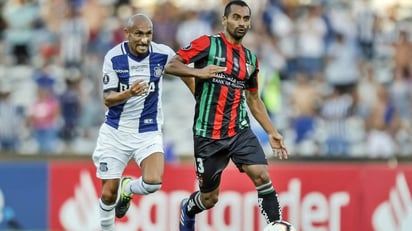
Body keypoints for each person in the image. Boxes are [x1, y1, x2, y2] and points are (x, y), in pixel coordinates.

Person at [164, 1, 289, 230]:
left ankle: (275, 224)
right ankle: (188, 208)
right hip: (208, 134)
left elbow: (253, 99)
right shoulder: (207, 44)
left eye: (245, 19)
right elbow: (171, 65)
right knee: (209, 199)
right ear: (225, 20)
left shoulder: (250, 59)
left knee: (261, 174)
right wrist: (198, 72)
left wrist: (272, 131)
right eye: (236, 17)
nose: (241, 23)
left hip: (239, 129)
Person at [92, 13, 181, 231]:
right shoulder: (114, 58)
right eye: (138, 34)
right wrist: (129, 93)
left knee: (153, 183)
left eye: (148, 33)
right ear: (127, 34)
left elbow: (182, 69)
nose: (144, 39)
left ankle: (128, 188)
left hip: (148, 130)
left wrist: (199, 79)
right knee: (107, 193)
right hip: (116, 131)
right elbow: (107, 98)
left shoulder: (162, 53)